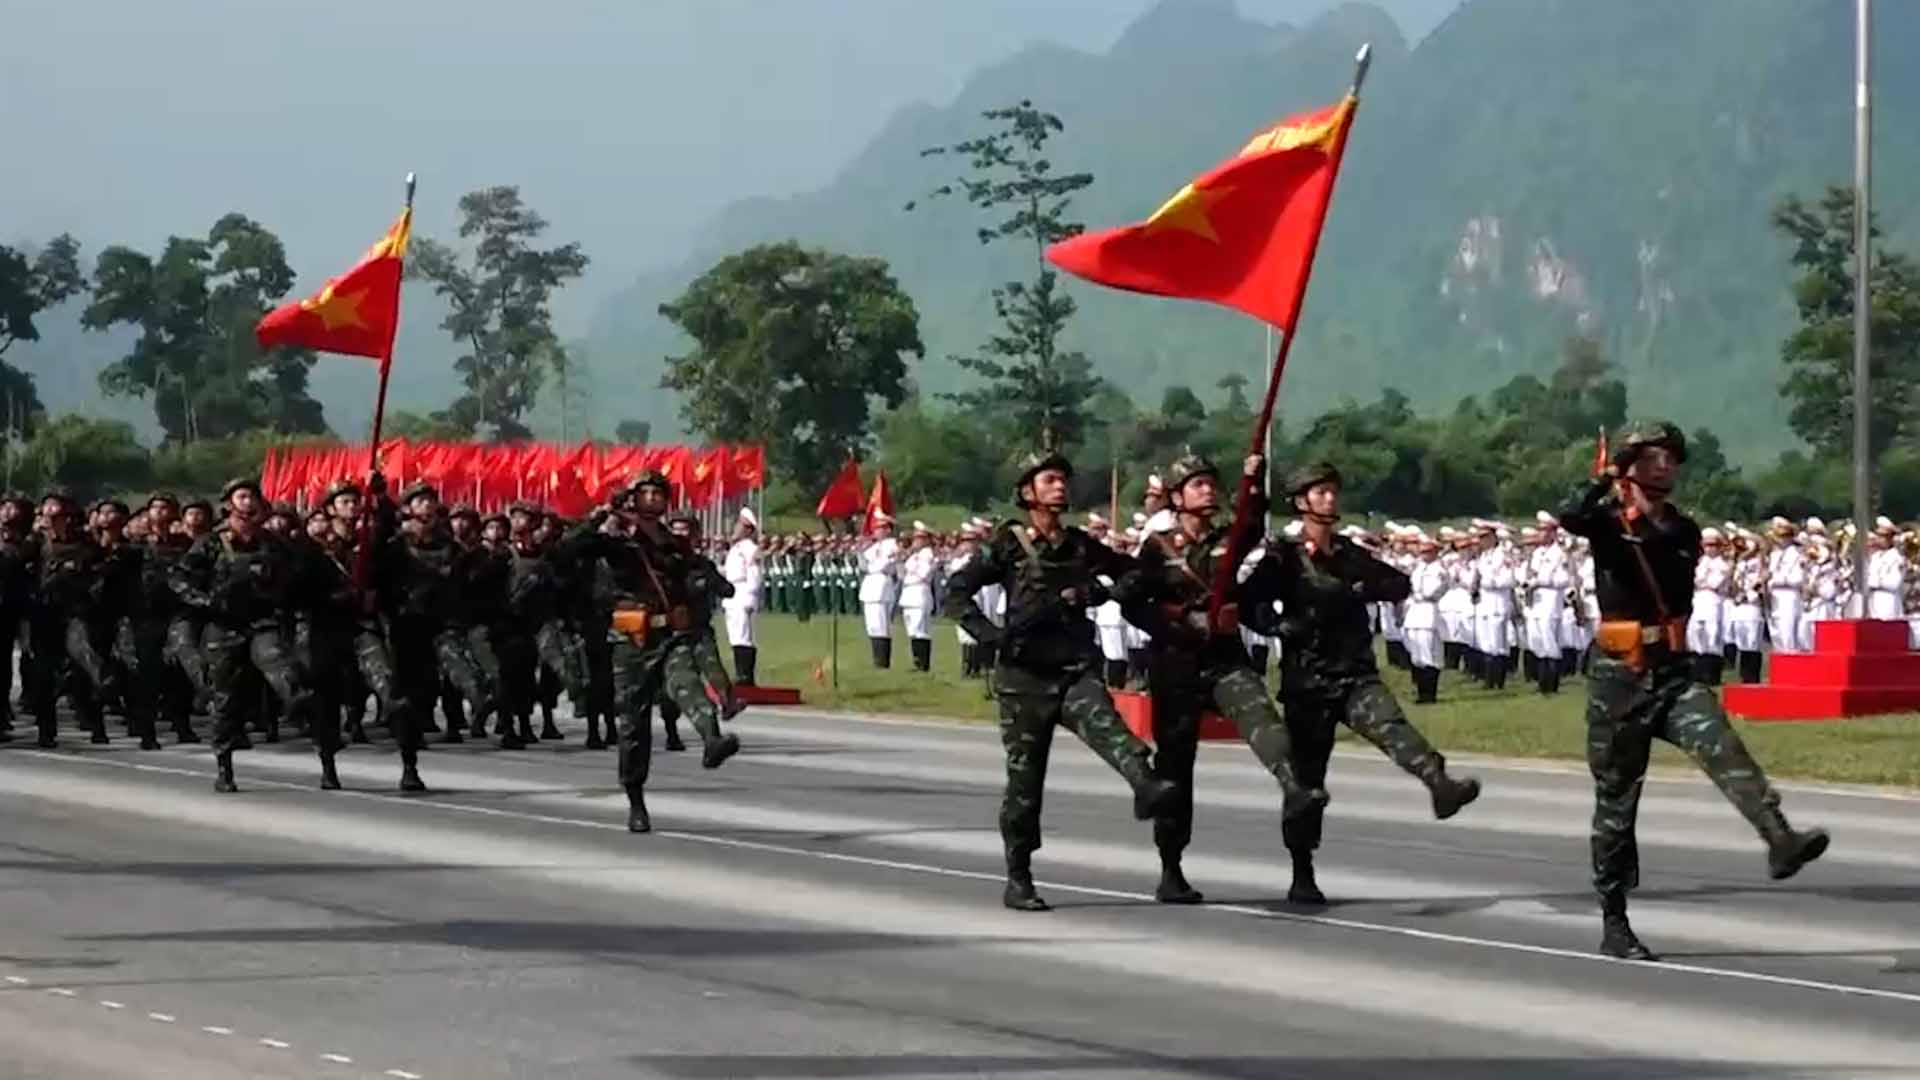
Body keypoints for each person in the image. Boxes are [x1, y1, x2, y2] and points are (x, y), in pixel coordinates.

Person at [1558, 420, 1829, 961]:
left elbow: (1664, 562)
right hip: (1618, 679)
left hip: (1672, 671)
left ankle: (1779, 838)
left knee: (1724, 747)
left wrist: (1635, 515)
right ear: (1630, 465)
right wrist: (1608, 481)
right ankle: (1614, 917)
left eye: (1671, 457)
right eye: (1652, 456)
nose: (1666, 465)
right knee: (1617, 802)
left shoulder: (1683, 531)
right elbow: (1571, 515)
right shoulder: (1605, 524)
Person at [941, 450, 1179, 912]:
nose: (1059, 486)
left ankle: (1145, 784)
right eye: (1049, 479)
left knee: (1109, 726)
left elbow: (1132, 572)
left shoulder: (1079, 545)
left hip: (1072, 670)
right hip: (1023, 681)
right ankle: (1019, 876)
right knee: (1025, 784)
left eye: (1062, 480)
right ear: (1027, 492)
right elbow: (956, 592)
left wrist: (1099, 592)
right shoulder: (1008, 544)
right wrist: (990, 636)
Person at [1241, 462, 1481, 906]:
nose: (1330, 498)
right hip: (1308, 683)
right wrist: (1278, 626)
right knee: (1306, 783)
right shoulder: (1283, 557)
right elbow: (1248, 603)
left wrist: (1357, 587)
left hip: (1354, 674)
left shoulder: (1349, 553)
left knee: (1393, 726)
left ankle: (1439, 783)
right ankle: (1302, 870)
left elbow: (1397, 584)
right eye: (1320, 492)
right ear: (1301, 502)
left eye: (1333, 491)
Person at [1121, 452, 1329, 904]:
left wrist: (1253, 477)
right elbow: (1132, 603)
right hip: (1176, 666)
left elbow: (1252, 518)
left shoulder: (1228, 539)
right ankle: (1171, 867)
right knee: (1176, 768)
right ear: (1177, 498)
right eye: (1197, 485)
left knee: (1262, 718)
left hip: (1224, 659)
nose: (1208, 490)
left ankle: (1294, 787)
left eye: (1211, 483)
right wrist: (1178, 622)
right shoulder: (1157, 549)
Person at [557, 471, 742, 834]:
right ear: (633, 498)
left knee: (685, 680)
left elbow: (695, 576)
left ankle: (712, 738)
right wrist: (602, 513)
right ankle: (635, 799)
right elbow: (569, 548)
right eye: (645, 492)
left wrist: (699, 587)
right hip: (631, 641)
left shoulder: (674, 544)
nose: (653, 498)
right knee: (633, 724)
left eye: (659, 492)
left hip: (669, 634)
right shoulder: (617, 542)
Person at [170, 478, 312, 792]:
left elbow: (298, 570)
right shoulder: (211, 542)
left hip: (261, 621)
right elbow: (179, 579)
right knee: (226, 699)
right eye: (242, 496)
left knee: (280, 665)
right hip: (224, 626)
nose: (248, 502)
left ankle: (299, 711)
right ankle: (224, 768)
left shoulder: (271, 543)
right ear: (229, 504)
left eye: (252, 497)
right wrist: (205, 602)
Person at [1402, 532, 1446, 703]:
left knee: (1429, 655)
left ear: (1435, 552)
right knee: (1417, 655)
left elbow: (1431, 591)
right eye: (1422, 551)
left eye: (1428, 552)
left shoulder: (1439, 570)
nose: (1424, 555)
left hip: (1429, 611)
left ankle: (1429, 694)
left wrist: (1419, 593)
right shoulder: (1418, 567)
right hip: (1414, 612)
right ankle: (1421, 692)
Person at [722, 508, 762, 684]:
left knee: (742, 636)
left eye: (740, 524)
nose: (736, 527)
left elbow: (754, 574)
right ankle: (741, 674)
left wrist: (750, 596)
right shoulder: (736, 548)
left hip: (743, 593)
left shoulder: (749, 549)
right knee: (735, 636)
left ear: (748, 529)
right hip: (732, 593)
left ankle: (745, 677)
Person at [858, 515, 900, 667]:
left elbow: (882, 565)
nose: (876, 531)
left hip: (882, 583)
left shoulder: (893, 545)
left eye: (880, 528)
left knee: (881, 624)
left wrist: (871, 564)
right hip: (870, 585)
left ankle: (883, 661)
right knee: (872, 625)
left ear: (888, 530)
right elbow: (863, 565)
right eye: (876, 528)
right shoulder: (874, 546)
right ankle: (876, 658)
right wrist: (861, 549)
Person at [899, 522, 939, 672]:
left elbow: (923, 574)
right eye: (915, 538)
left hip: (920, 592)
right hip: (909, 593)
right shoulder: (914, 555)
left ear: (926, 540)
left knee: (920, 628)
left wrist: (909, 569)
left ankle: (923, 664)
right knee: (911, 629)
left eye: (919, 539)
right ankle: (916, 661)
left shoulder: (928, 555)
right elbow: (902, 575)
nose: (915, 541)